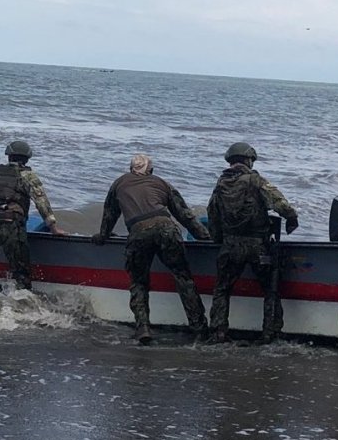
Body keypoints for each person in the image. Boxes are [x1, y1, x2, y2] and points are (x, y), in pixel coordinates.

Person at [91, 153, 211, 344]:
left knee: (139, 281)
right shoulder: (161, 183)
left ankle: (143, 328)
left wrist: (103, 236)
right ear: (151, 171)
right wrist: (205, 237)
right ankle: (199, 329)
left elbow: (109, 214)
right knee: (183, 278)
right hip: (167, 229)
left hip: (138, 232)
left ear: (130, 170)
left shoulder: (118, 184)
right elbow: (184, 214)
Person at [204, 142, 299, 344]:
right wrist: (292, 218)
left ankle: (219, 333)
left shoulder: (220, 185)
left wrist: (218, 239)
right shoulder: (256, 181)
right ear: (249, 160)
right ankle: (269, 334)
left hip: (230, 245)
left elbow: (212, 215)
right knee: (270, 289)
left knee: (222, 289)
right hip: (258, 246)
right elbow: (280, 203)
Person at [0, 140, 67, 292]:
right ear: (27, 159)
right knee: (21, 274)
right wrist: (53, 228)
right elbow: (41, 202)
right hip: (10, 226)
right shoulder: (27, 175)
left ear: (8, 156)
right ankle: (23, 305)